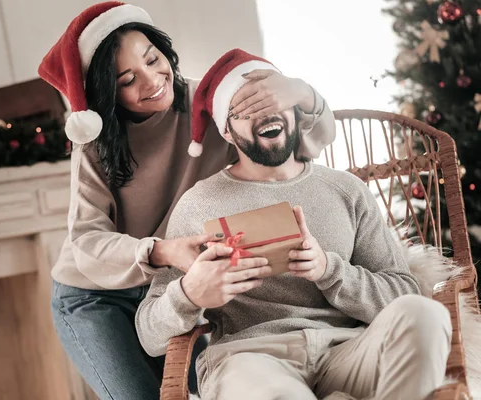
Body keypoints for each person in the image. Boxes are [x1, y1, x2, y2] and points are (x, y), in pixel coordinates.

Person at [38, 2, 336, 399]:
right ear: (107, 92)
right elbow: (87, 243)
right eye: (128, 79)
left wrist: (301, 91)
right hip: (94, 296)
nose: (152, 81)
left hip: (167, 289)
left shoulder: (212, 105)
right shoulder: (95, 144)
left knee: (215, 387)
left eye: (153, 59)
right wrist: (161, 251)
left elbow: (304, 144)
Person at [135, 49, 452, 400]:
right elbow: (149, 335)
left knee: (424, 313)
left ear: (295, 109)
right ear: (226, 131)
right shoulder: (199, 204)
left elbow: (403, 292)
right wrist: (189, 293)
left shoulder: (345, 190)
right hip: (250, 361)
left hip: (349, 354)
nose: (264, 114)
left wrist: (329, 270)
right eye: (245, 111)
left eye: (272, 100)